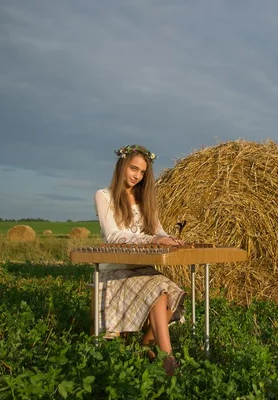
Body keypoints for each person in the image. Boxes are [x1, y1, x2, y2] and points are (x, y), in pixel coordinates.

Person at [94, 144, 185, 376]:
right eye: (133, 168)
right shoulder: (104, 196)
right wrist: (153, 240)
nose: (137, 175)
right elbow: (114, 236)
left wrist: (169, 239)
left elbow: (158, 231)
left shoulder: (145, 199)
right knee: (159, 292)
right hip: (116, 270)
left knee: (170, 293)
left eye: (142, 172)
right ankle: (168, 360)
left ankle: (146, 346)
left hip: (142, 268)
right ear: (121, 165)